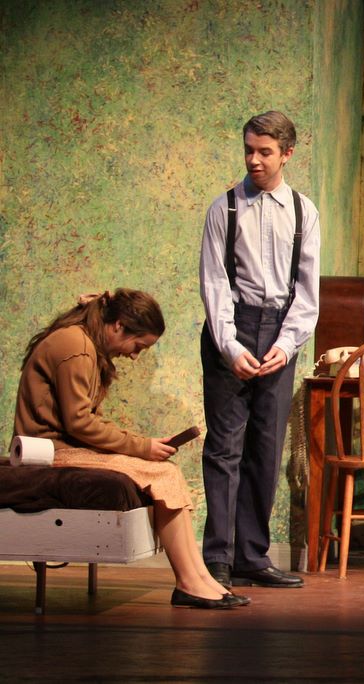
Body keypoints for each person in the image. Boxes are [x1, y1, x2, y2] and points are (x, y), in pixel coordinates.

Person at [13, 289, 247, 609]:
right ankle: (189, 582)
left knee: (167, 471)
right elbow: (79, 422)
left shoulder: (85, 342)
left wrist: (141, 445)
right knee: (162, 474)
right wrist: (140, 447)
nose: (135, 356)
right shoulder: (76, 346)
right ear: (118, 326)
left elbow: (85, 420)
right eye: (138, 346)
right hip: (49, 453)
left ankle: (200, 577)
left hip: (65, 447)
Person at [199, 111, 320, 588]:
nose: (254, 160)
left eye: (265, 152)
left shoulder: (303, 213)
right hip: (233, 326)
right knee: (224, 447)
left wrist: (287, 345)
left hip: (279, 331)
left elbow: (307, 292)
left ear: (286, 154)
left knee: (266, 449)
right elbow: (214, 283)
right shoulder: (224, 208)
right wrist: (230, 347)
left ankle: (251, 555)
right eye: (249, 150)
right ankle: (218, 558)